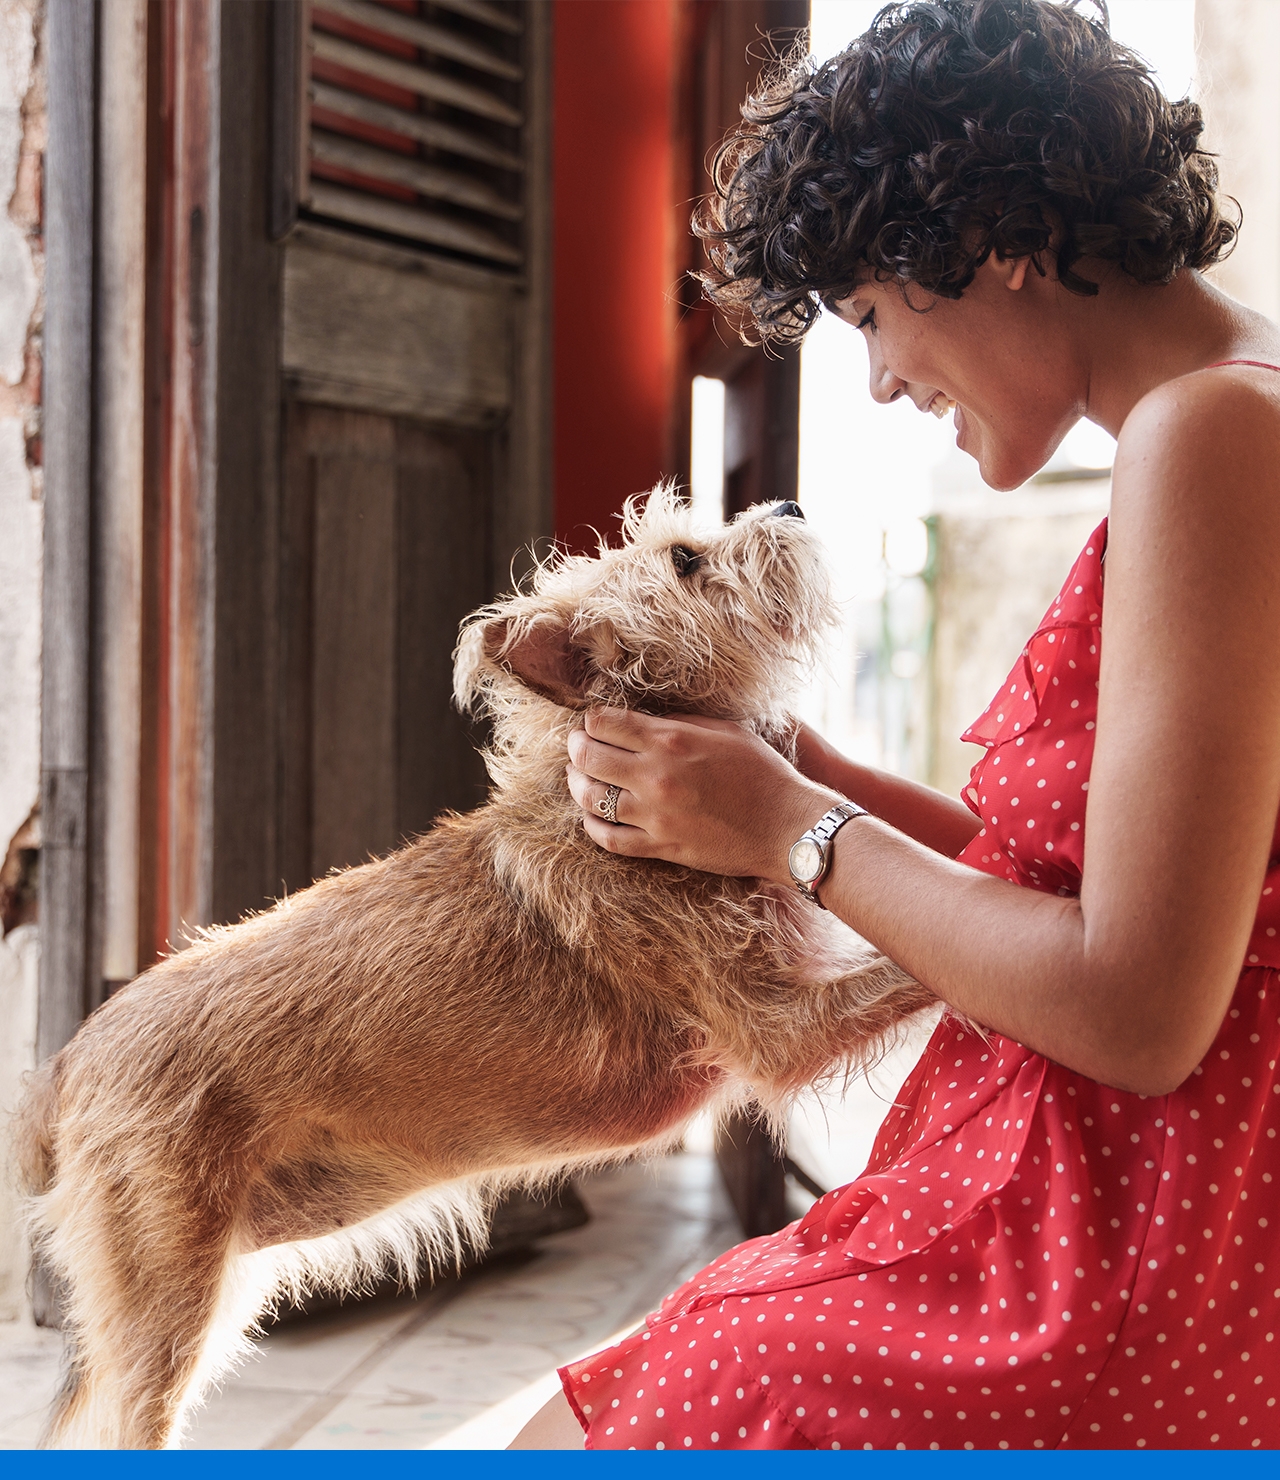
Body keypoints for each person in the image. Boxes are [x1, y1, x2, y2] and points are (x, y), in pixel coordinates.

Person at [512, 0, 1280, 1450]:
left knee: (614, 1422)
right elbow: (1087, 897)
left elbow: (1139, 1010)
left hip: (1131, 1248)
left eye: (868, 317)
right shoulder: (1228, 416)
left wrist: (790, 827)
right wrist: (824, 779)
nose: (878, 379)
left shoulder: (1211, 435)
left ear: (990, 238)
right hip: (1129, 1204)